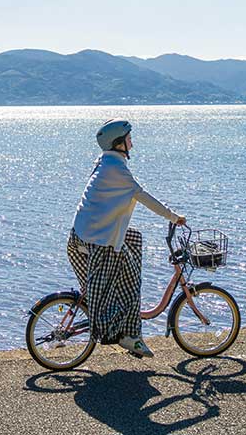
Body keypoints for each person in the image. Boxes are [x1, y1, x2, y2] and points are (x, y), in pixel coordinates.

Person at [68, 119, 185, 358]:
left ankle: (115, 320)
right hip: (98, 240)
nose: (132, 141)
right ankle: (129, 336)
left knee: (132, 238)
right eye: (128, 138)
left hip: (83, 235)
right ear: (118, 143)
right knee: (132, 281)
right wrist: (173, 217)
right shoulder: (116, 169)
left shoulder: (105, 162)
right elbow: (143, 196)